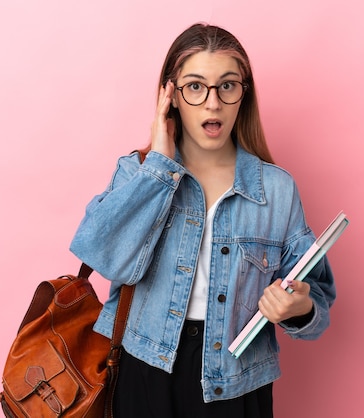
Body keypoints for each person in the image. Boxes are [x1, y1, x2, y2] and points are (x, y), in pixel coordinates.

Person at [70, 23, 336, 418]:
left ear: (243, 95)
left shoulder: (276, 190)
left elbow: (318, 297)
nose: (213, 103)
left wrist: (297, 307)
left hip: (237, 384)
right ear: (170, 95)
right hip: (145, 371)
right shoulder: (138, 172)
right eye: (195, 87)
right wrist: (159, 168)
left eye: (227, 86)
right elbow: (103, 255)